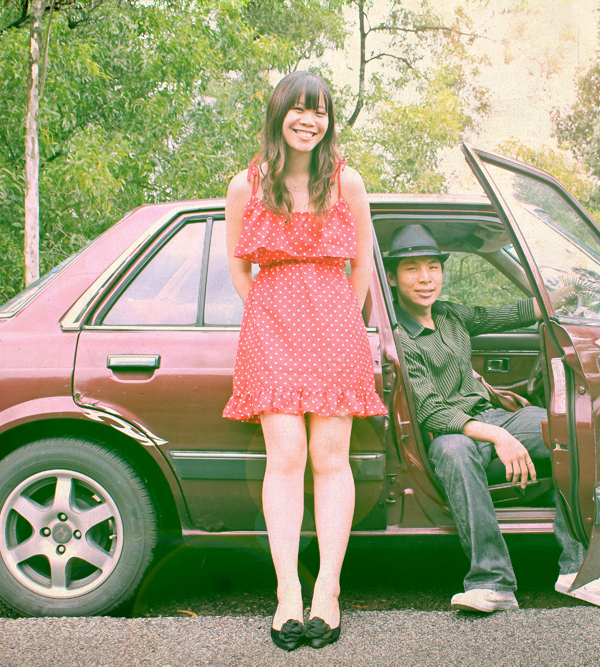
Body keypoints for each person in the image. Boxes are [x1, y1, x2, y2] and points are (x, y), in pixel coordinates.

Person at [384, 223, 600, 612]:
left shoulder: (452, 315)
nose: (425, 278)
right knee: (456, 451)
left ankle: (579, 571)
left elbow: (516, 312)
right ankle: (492, 583)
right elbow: (431, 412)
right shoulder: (398, 337)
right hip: (448, 435)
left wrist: (572, 288)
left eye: (433, 267)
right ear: (391, 276)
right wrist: (498, 438)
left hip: (487, 417)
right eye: (412, 268)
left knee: (564, 427)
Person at [222, 71, 387, 651]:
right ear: (279, 114)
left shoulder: (349, 183)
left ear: (329, 121)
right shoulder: (246, 185)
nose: (309, 120)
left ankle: (328, 592)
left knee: (331, 459)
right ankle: (288, 593)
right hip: (271, 328)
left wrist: (347, 320)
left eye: (320, 111)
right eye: (299, 109)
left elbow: (363, 266)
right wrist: (270, 316)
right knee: (285, 458)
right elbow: (241, 270)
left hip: (335, 325)